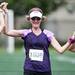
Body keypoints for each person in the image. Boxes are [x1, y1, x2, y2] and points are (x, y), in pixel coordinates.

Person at [0, 2, 75, 75]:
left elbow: (60, 50)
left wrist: (71, 40)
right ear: (29, 19)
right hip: (29, 70)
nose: (36, 20)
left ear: (41, 19)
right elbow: (6, 31)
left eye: (38, 18)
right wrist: (4, 14)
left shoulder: (48, 34)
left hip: (45, 70)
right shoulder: (25, 33)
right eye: (33, 18)